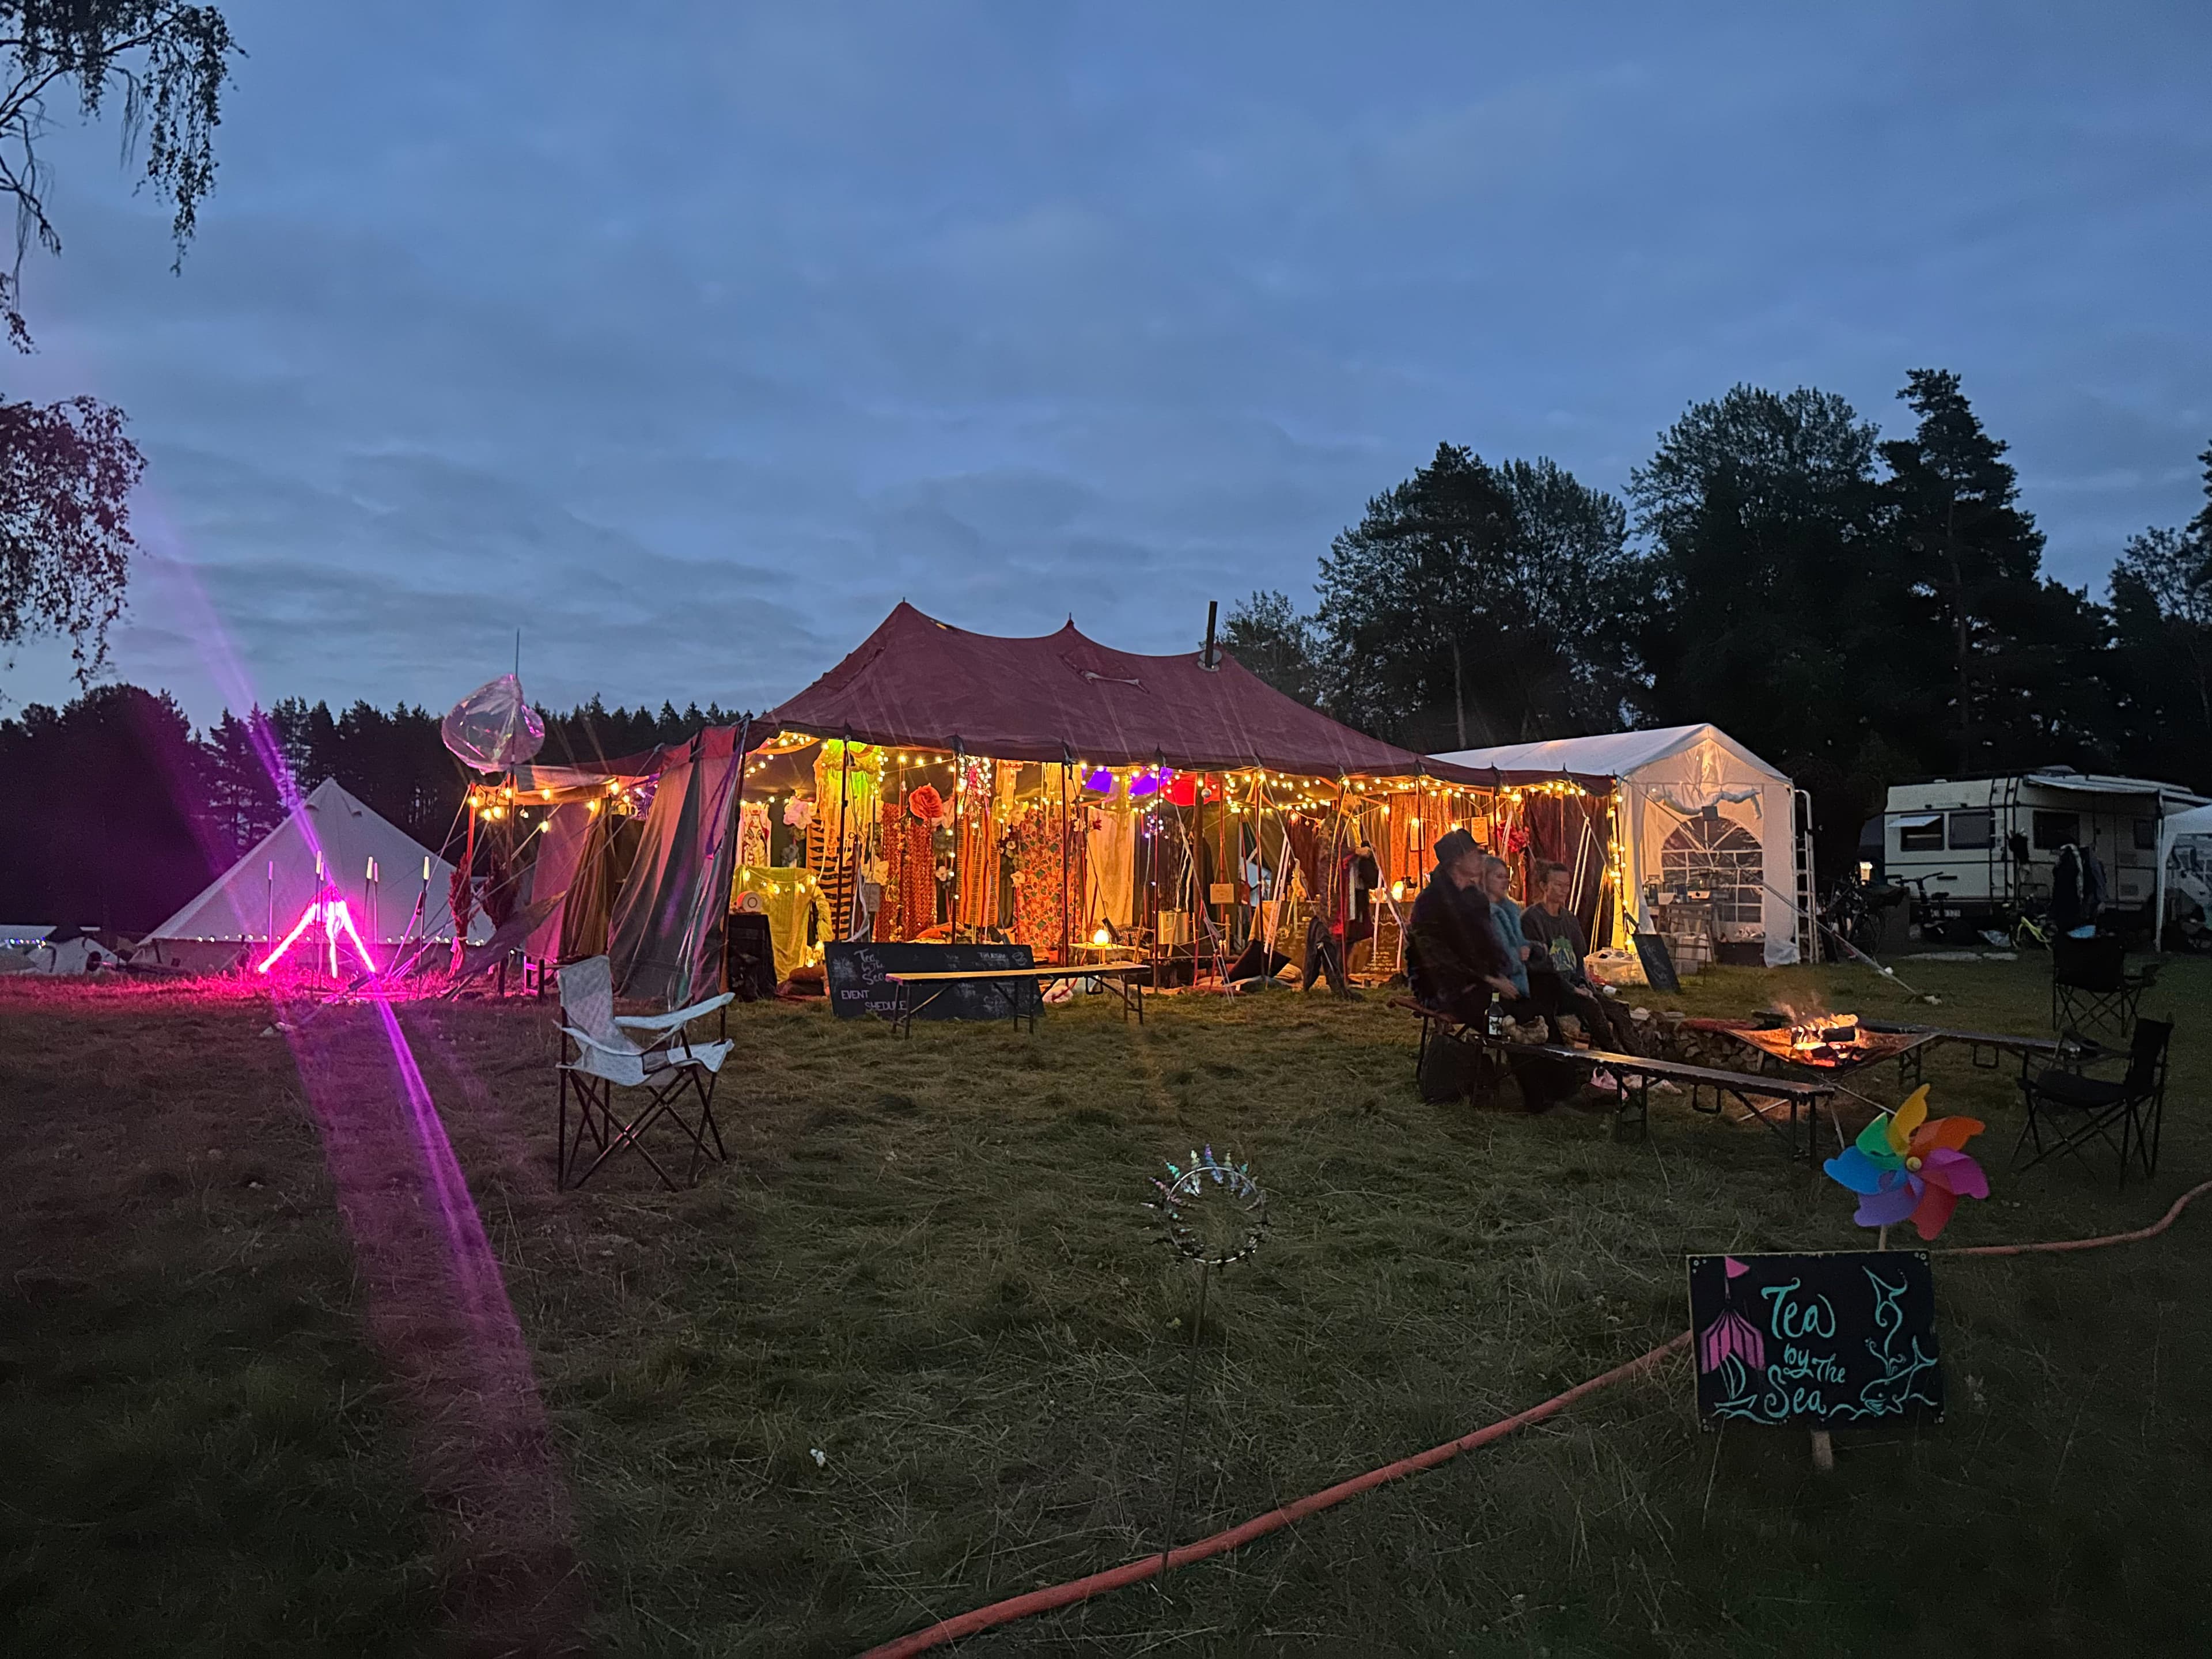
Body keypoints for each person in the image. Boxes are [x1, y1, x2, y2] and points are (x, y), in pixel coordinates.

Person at [1522, 861, 1643, 1055]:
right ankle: (1615, 1057)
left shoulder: (1570, 920)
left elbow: (1578, 959)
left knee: (1618, 1009)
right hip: (1552, 990)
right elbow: (1541, 968)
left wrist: (1583, 984)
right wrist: (1574, 989)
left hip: (1574, 984)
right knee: (1591, 1007)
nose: (1564, 890)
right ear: (1544, 886)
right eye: (1558, 885)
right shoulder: (1531, 919)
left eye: (1567, 885)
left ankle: (1641, 1059)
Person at [1406, 830, 1516, 1022]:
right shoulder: (1430, 901)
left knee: (1538, 990)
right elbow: (1435, 955)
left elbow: (1488, 943)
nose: (1480, 858)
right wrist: (1486, 979)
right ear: (1457, 860)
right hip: (1442, 986)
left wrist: (1502, 973)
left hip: (1479, 980)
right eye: (1474, 854)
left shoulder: (1475, 898)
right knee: (1495, 1009)